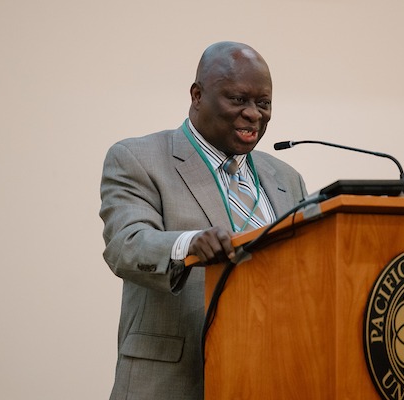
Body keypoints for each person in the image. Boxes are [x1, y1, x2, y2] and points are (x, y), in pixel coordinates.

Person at [99, 41, 307, 400]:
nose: (254, 114)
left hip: (267, 379)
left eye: (263, 103)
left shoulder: (286, 179)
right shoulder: (138, 158)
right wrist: (187, 244)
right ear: (197, 95)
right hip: (173, 382)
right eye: (238, 100)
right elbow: (126, 246)